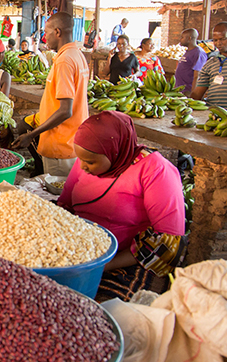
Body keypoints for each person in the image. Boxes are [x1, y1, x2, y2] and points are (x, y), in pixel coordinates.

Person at [58, 111, 186, 301]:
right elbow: (64, 205)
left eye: (90, 161)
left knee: (100, 309)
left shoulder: (154, 170)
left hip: (124, 261)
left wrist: (99, 265)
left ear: (114, 151)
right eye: (80, 158)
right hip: (78, 254)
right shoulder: (84, 161)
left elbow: (169, 241)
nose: (82, 166)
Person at [13, 12, 89, 177]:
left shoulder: (64, 61)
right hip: (74, 140)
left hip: (60, 145)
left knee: (57, 197)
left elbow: (65, 110)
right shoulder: (77, 55)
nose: (45, 38)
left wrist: (32, 134)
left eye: (47, 33)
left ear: (58, 32)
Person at [175, 28, 207, 95]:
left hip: (188, 91)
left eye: (182, 37)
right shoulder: (188, 51)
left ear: (189, 38)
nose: (180, 39)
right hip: (180, 90)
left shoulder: (198, 53)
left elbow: (197, 76)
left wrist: (193, 94)